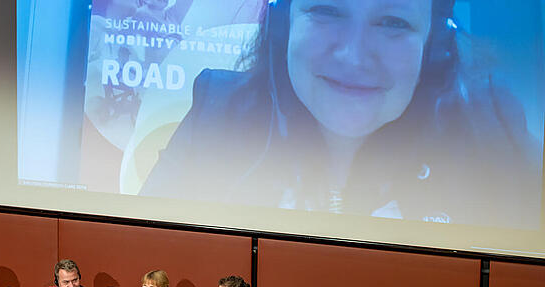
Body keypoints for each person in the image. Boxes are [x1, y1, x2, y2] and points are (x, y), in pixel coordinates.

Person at [141, 0, 541, 229]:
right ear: (285, 23)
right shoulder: (218, 109)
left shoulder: (496, 140)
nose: (354, 54)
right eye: (328, 10)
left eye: (393, 22)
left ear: (433, 45)